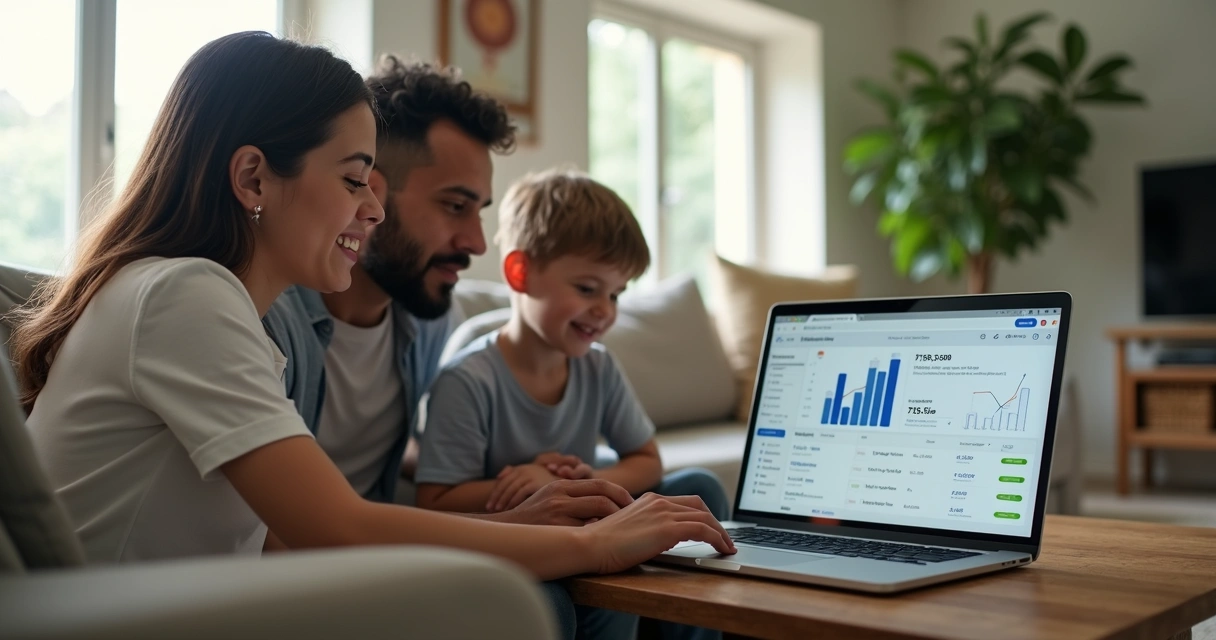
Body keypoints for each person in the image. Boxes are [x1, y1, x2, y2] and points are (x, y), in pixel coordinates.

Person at [11, 28, 733, 582]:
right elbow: (336, 526)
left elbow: (276, 537)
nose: (371, 212)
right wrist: (585, 543)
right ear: (255, 178)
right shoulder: (184, 295)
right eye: (357, 181)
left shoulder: (219, 311)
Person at [261, 55, 731, 640]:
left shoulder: (428, 316)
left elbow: (417, 447)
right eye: (454, 206)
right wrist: (517, 519)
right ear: (368, 192)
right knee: (542, 605)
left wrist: (560, 480)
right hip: (325, 576)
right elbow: (295, 532)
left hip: (394, 551)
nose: (475, 242)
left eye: (480, 212)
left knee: (687, 505)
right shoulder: (266, 321)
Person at [415, 169, 663, 514]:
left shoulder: (599, 367)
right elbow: (435, 501)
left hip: (582, 527)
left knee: (697, 485)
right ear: (521, 273)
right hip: (511, 541)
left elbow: (648, 461)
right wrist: (540, 486)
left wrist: (583, 481)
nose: (605, 311)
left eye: (616, 294)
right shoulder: (468, 381)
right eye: (587, 289)